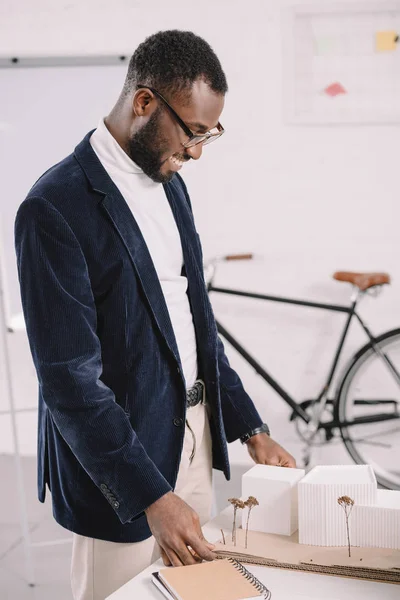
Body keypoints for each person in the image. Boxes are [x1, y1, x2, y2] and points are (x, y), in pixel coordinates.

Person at [14, 30, 296, 600]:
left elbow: (195, 321)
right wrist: (150, 494)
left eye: (208, 135)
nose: (196, 152)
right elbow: (70, 385)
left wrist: (249, 427)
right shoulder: (52, 208)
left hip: (192, 439)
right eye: (193, 132)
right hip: (122, 469)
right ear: (144, 103)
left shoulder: (171, 186)